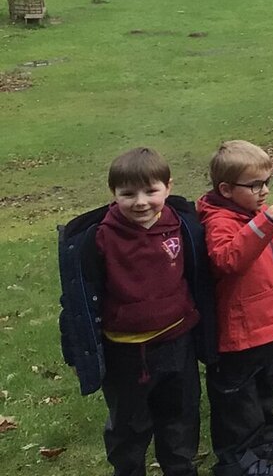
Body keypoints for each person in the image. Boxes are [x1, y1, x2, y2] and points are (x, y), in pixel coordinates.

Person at [58, 147, 217, 476]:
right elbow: (77, 298)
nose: (141, 202)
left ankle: (180, 469)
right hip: (125, 353)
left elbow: (200, 278)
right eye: (128, 194)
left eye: (151, 191)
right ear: (113, 194)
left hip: (178, 343)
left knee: (180, 421)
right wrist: (76, 352)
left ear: (168, 187)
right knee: (129, 429)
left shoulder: (184, 226)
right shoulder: (97, 238)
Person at [198, 140, 273, 476]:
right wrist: (264, 224)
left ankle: (262, 445)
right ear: (226, 189)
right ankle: (236, 461)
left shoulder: (255, 215)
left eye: (267, 182)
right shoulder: (221, 222)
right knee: (237, 401)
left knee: (264, 391)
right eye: (255, 185)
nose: (264, 191)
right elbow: (229, 261)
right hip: (239, 333)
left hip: (265, 328)